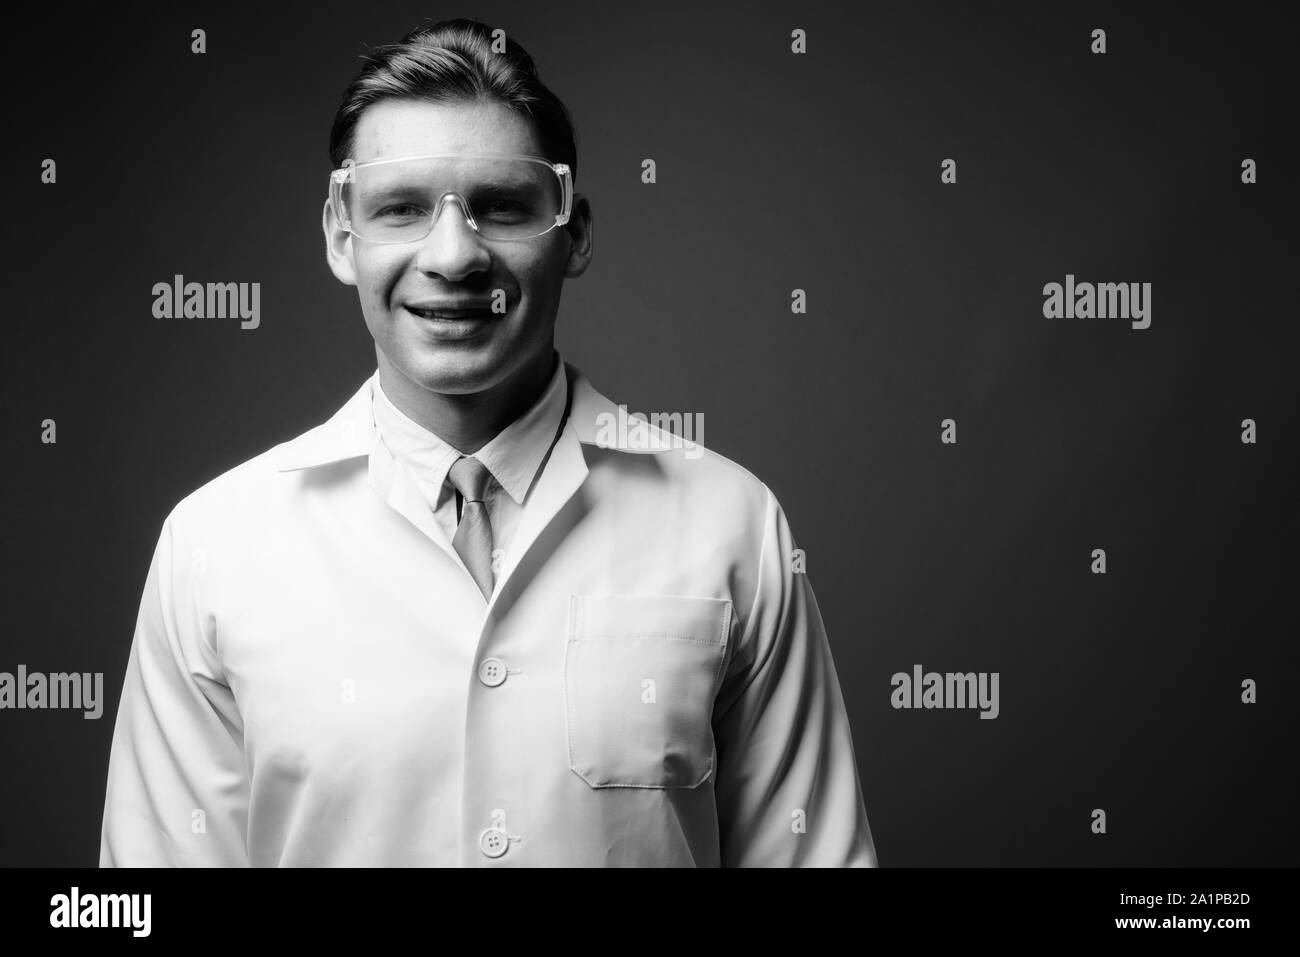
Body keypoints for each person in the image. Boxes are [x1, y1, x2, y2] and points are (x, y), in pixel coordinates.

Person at [99, 18, 877, 867]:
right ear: (338, 235)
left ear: (574, 233)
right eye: (400, 208)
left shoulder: (730, 522)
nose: (454, 255)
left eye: (502, 207)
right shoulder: (214, 545)